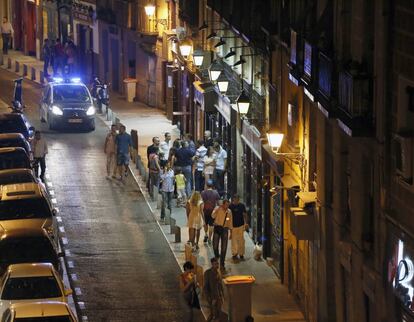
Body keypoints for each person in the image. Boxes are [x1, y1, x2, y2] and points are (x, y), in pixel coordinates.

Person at [211, 199, 233, 271]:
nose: (227, 206)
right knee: (215, 245)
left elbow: (230, 222)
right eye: (226, 204)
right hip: (217, 228)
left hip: (224, 229)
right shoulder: (218, 208)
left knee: (224, 248)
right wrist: (217, 210)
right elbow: (212, 216)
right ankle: (217, 256)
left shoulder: (229, 212)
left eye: (228, 205)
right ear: (223, 204)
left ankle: (222, 264)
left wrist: (231, 233)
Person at [203, 257, 224, 322]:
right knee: (213, 313)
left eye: (217, 264)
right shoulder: (208, 273)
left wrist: (222, 295)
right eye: (215, 264)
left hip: (218, 297)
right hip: (212, 298)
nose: (217, 265)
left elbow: (220, 285)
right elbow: (206, 287)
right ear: (212, 264)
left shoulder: (218, 272)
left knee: (218, 314)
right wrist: (210, 298)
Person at [229, 194, 248, 260]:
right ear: (233, 199)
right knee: (234, 241)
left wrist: (246, 223)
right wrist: (228, 223)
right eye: (235, 199)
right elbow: (228, 216)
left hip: (240, 225)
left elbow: (245, 214)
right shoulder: (230, 206)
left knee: (241, 240)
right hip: (233, 226)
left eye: (237, 199)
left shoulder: (242, 206)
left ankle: (241, 253)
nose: (236, 200)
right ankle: (234, 253)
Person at [201, 180, 220, 244]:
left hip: (205, 211)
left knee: (205, 223)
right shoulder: (216, 193)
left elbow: (202, 202)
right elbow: (218, 203)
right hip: (213, 211)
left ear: (206, 185)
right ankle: (209, 238)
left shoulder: (203, 192)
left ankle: (206, 234)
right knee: (211, 225)